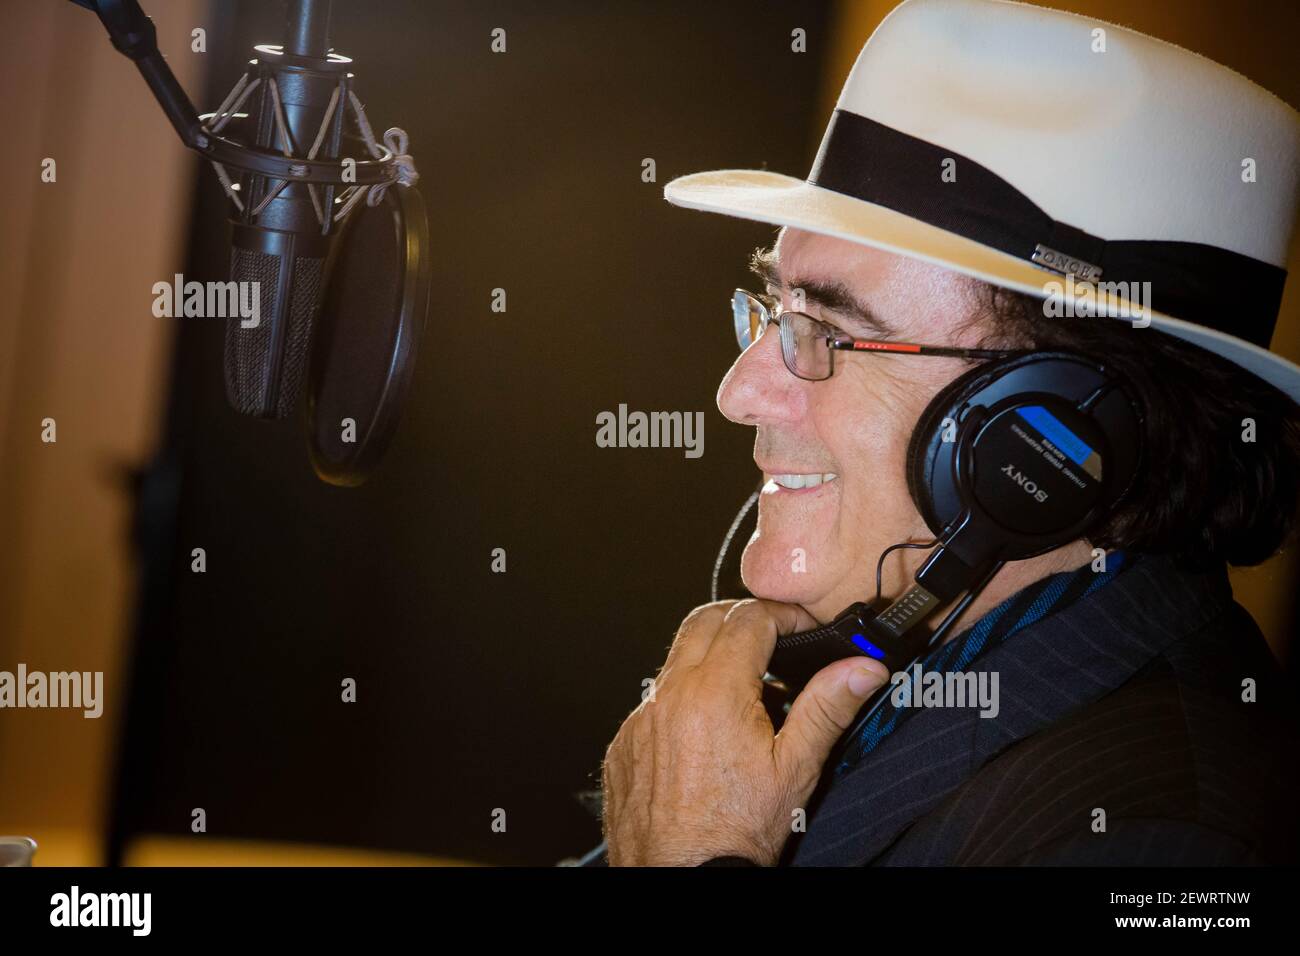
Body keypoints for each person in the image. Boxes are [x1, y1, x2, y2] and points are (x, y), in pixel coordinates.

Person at [587, 0, 1300, 866]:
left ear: (1042, 432)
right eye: (775, 313)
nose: (739, 394)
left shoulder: (1163, 838)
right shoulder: (885, 657)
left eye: (831, 334)